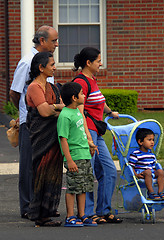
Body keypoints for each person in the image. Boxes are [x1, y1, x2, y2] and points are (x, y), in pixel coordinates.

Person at [9, 25, 59, 219]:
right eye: (53, 40)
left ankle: (43, 205)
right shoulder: (27, 62)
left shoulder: (47, 62)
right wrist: (24, 113)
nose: (56, 44)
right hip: (30, 123)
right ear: (42, 41)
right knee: (29, 165)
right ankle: (28, 206)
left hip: (47, 123)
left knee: (44, 165)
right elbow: (14, 92)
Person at [72, 47, 122, 224]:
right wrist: (87, 136)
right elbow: (78, 111)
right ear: (88, 63)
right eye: (98, 60)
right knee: (88, 172)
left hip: (97, 132)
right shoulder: (81, 82)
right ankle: (86, 212)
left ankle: (103, 211)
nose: (101, 63)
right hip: (88, 132)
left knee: (109, 170)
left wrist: (110, 112)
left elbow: (99, 100)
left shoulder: (92, 80)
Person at [25, 51, 65, 227]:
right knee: (42, 172)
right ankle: (39, 215)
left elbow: (62, 109)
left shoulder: (53, 87)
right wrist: (58, 107)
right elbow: (44, 112)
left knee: (53, 172)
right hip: (41, 137)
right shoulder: (34, 87)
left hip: (55, 136)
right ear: (41, 68)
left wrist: (55, 107)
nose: (55, 67)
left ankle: (48, 211)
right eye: (51, 65)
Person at [57, 82, 98, 227]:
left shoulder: (77, 112)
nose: (84, 95)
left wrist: (90, 144)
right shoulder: (65, 115)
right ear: (74, 98)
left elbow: (80, 133)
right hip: (74, 157)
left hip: (84, 155)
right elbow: (63, 139)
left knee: (84, 186)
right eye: (81, 93)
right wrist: (69, 160)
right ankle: (70, 216)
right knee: (73, 187)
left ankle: (82, 215)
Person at [129, 128, 164, 200]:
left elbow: (153, 167)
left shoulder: (152, 155)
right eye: (149, 140)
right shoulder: (135, 154)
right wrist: (136, 175)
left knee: (161, 171)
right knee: (148, 172)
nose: (152, 142)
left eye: (153, 140)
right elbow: (131, 166)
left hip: (151, 173)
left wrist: (157, 172)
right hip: (142, 173)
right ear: (140, 142)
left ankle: (160, 192)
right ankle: (151, 192)